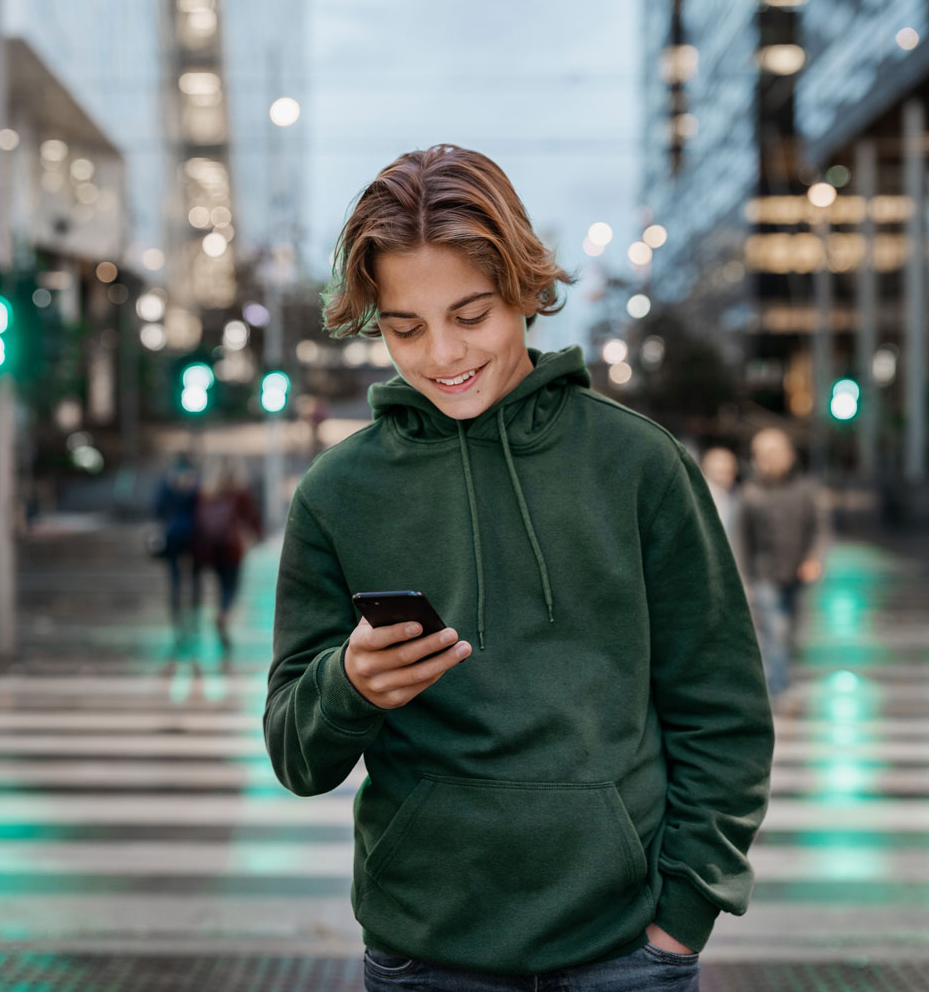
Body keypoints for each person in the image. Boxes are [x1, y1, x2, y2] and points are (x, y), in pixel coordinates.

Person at [264, 144, 772, 991]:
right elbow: (294, 752)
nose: (440, 355)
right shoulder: (336, 492)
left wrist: (683, 919)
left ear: (526, 292)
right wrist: (348, 686)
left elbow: (722, 714)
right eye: (405, 326)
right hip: (425, 955)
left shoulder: (640, 465)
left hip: (624, 957)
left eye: (471, 315)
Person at [738, 427, 829, 713]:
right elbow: (741, 540)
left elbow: (820, 530)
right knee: (775, 632)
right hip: (765, 574)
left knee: (792, 635)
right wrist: (744, 580)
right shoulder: (750, 494)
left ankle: (778, 679)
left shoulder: (805, 490)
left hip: (797, 575)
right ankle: (778, 690)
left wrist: (814, 558)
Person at [190, 459, 262, 658]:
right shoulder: (240, 492)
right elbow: (252, 517)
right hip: (233, 549)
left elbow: (197, 520)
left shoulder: (206, 492)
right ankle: (223, 613)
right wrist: (258, 535)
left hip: (211, 550)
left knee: (221, 584)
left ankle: (221, 610)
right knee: (232, 587)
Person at [152, 453, 200, 649]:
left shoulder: (167, 482)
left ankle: (177, 620)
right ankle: (194, 620)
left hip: (172, 535)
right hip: (194, 535)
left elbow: (157, 508)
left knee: (175, 579)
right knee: (195, 578)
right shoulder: (195, 483)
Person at [700, 446, 745, 580]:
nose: (725, 475)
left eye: (728, 471)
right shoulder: (697, 497)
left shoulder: (738, 496)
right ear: (706, 470)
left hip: (731, 565)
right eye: (719, 471)